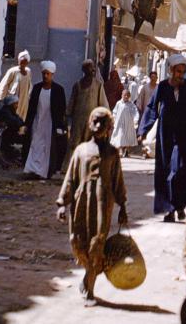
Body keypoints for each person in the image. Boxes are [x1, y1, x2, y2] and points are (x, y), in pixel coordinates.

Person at [56, 107, 128, 307]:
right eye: (95, 121)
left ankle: (90, 289)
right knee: (77, 241)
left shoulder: (112, 153)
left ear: (109, 127)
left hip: (103, 206)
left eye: (102, 123)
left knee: (97, 244)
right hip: (81, 203)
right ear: (89, 123)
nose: (98, 125)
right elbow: (71, 178)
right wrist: (62, 203)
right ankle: (88, 274)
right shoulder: (81, 151)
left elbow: (118, 181)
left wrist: (122, 206)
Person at [138, 53, 186, 222]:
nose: (181, 75)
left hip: (184, 137)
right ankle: (169, 209)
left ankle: (180, 206)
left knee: (180, 170)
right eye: (178, 72)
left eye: (183, 72)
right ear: (171, 70)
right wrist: (143, 130)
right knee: (167, 171)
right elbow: (152, 108)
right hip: (166, 136)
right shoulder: (163, 87)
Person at [23, 61, 67, 179]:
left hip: (50, 123)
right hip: (37, 121)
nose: (45, 76)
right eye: (44, 74)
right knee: (35, 145)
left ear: (52, 74)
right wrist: (27, 123)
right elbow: (31, 107)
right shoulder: (37, 88)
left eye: (48, 74)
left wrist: (60, 125)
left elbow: (62, 109)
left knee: (47, 147)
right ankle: (32, 170)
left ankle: (43, 172)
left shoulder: (58, 90)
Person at [66, 59, 109, 153]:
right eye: (90, 67)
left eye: (93, 67)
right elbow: (70, 106)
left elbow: (104, 106)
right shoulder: (77, 85)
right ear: (84, 69)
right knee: (75, 146)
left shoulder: (98, 85)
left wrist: (104, 122)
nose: (93, 70)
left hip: (92, 123)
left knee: (90, 147)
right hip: (78, 123)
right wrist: (67, 120)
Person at [0, 50, 32, 121]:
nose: (22, 64)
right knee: (12, 116)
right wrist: (1, 98)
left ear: (27, 62)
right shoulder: (13, 71)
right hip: (14, 100)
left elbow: (29, 85)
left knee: (22, 117)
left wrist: (28, 96)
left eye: (24, 62)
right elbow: (4, 84)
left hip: (24, 100)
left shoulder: (28, 72)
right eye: (21, 62)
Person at [0, 94, 25, 160]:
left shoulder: (11, 111)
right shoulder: (5, 112)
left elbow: (20, 121)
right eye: (15, 104)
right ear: (10, 104)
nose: (17, 106)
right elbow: (15, 122)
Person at [111, 89, 139, 157]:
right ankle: (120, 150)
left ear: (129, 96)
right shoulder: (119, 103)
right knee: (120, 136)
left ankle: (126, 150)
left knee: (128, 137)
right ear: (122, 95)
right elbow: (115, 112)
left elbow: (135, 112)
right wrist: (113, 118)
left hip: (129, 124)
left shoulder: (131, 104)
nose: (126, 96)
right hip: (119, 123)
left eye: (127, 95)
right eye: (125, 95)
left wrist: (135, 119)